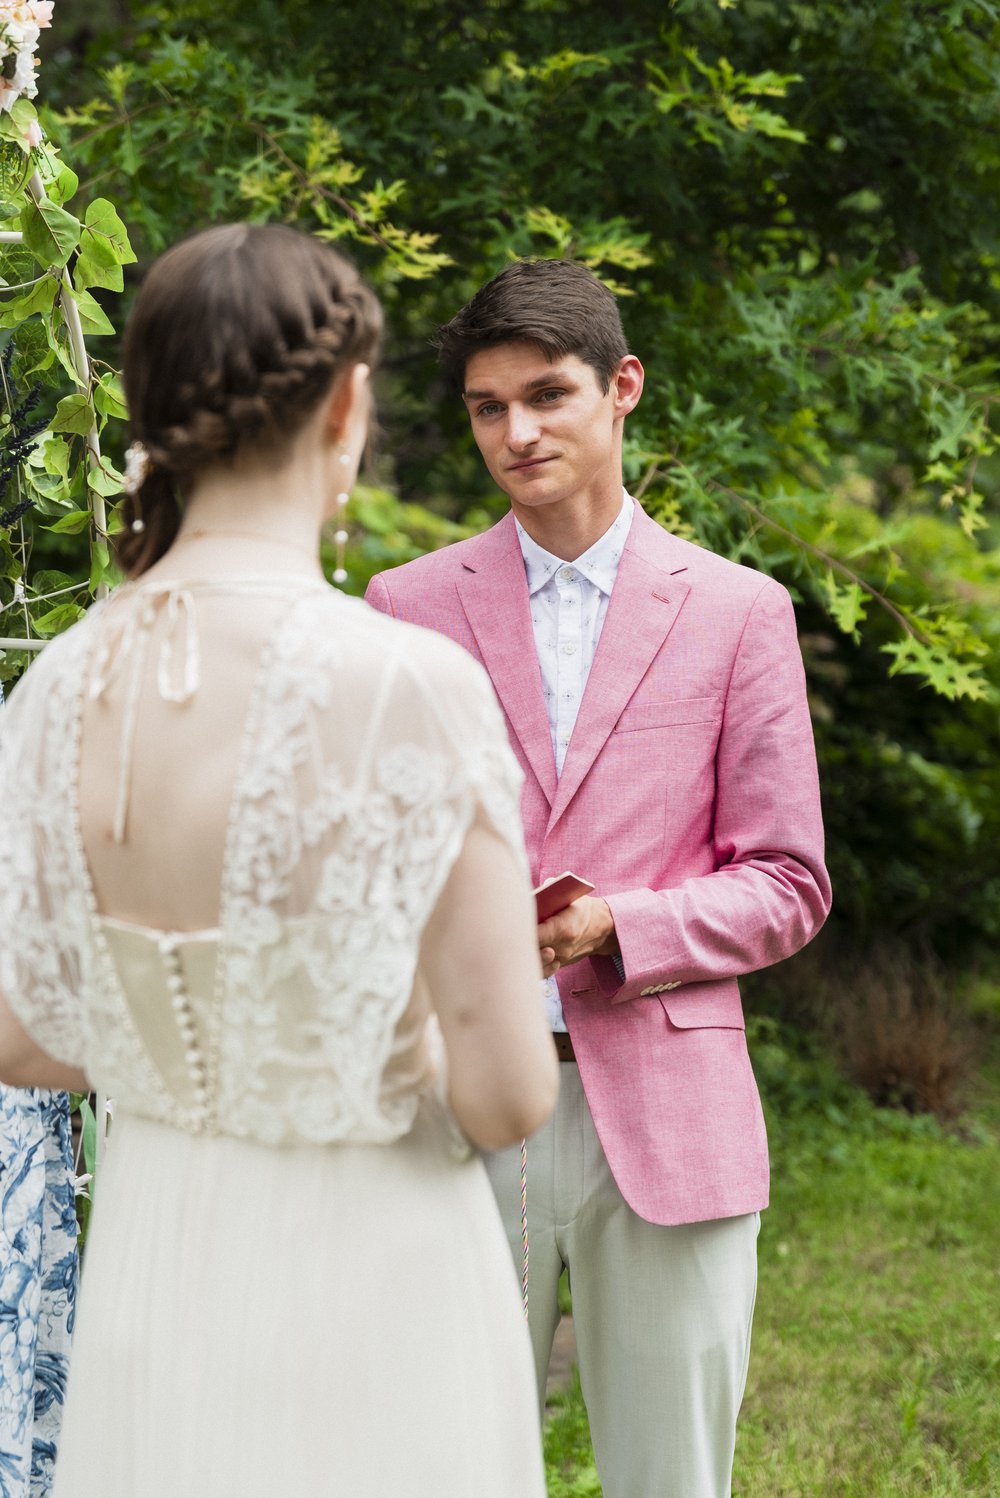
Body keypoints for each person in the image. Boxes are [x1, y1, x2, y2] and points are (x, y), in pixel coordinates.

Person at [0, 224, 559, 1498]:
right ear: (346, 406)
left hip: (158, 1279)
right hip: (377, 1279)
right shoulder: (413, 685)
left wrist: (187, 1043)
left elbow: (22, 1036)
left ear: (150, 413)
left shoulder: (57, 688)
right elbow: (508, 1097)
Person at [365, 257, 832, 1498]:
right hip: (462, 1109)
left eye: (548, 395)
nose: (515, 432)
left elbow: (788, 879)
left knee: (670, 1479)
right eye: (484, 406)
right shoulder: (403, 607)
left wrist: (622, 921)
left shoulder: (740, 613)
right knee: (444, 1468)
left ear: (621, 388)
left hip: (671, 1116)